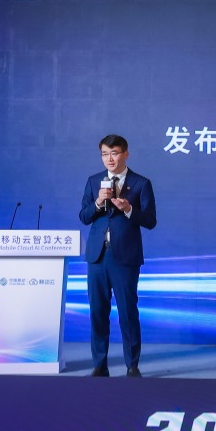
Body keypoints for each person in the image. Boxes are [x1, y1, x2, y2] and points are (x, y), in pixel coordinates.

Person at [79, 134, 156, 377]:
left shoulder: (141, 183)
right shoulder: (94, 181)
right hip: (97, 256)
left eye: (114, 153)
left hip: (125, 258)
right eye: (104, 154)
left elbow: (150, 221)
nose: (109, 159)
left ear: (125, 154)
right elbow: (84, 216)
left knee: (127, 311)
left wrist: (129, 209)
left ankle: (132, 365)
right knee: (97, 311)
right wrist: (98, 203)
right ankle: (99, 364)